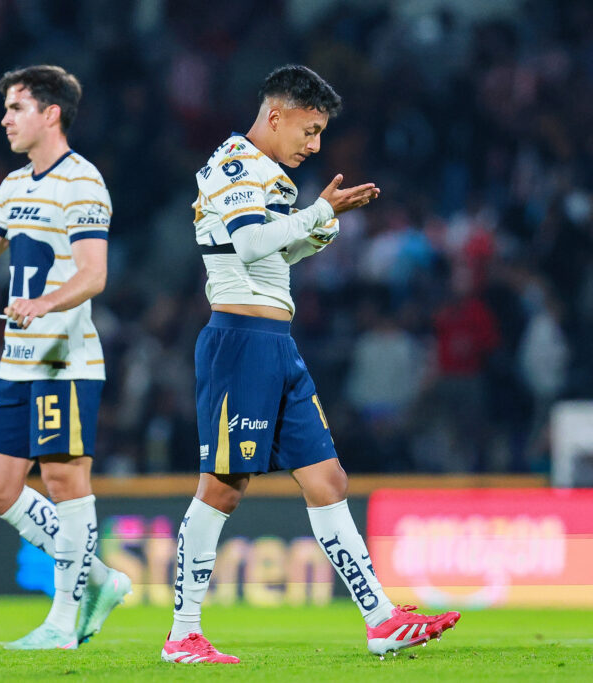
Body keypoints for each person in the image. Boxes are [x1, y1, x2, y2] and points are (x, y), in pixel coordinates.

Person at [162, 64, 460, 665]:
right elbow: (247, 245)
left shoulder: (270, 177)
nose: (315, 144)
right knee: (221, 488)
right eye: (311, 129)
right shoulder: (236, 167)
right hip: (240, 342)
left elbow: (275, 254)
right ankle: (182, 635)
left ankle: (380, 620)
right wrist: (318, 215)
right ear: (277, 115)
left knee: (329, 481)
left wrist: (322, 224)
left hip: (277, 343)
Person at [0, 65, 131, 650]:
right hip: (16, 364)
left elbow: (94, 274)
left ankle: (62, 624)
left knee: (62, 479)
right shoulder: (13, 185)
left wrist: (45, 302)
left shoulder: (83, 182)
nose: (4, 118)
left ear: (51, 114)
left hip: (65, 362)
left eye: (16, 107)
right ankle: (98, 577)